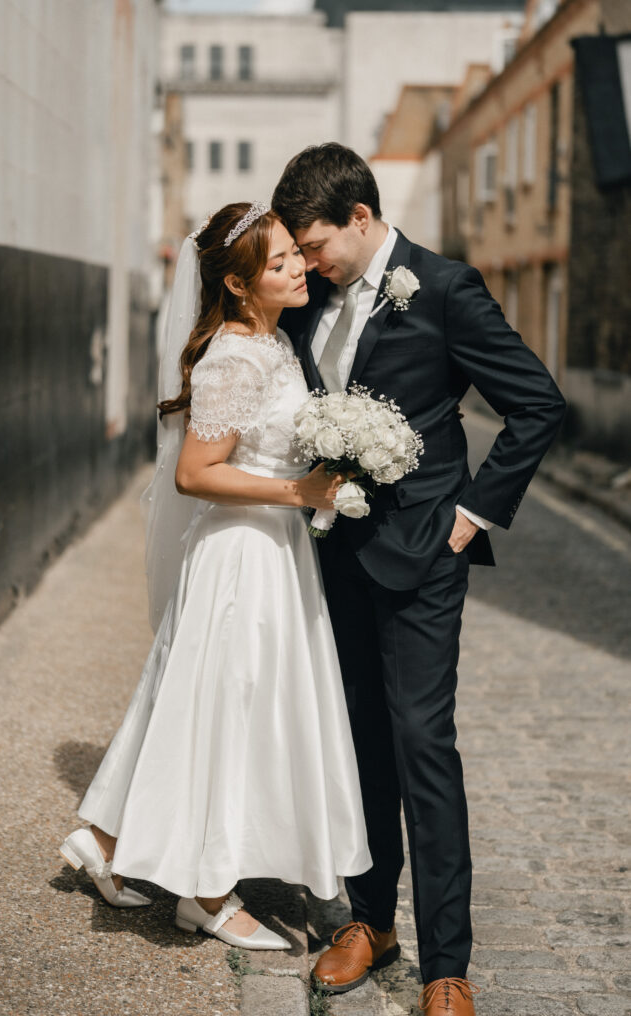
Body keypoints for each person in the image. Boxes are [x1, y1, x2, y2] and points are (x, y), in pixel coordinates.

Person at [272, 143, 566, 1014]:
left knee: (421, 745)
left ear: (360, 219)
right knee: (359, 738)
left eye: (317, 243)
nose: (310, 261)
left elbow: (536, 403)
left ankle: (445, 962)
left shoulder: (442, 289)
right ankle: (370, 920)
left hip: (422, 556)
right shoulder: (312, 296)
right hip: (329, 553)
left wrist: (470, 517)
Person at [60, 202, 372, 949]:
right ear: (237, 285)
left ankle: (106, 840)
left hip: (273, 550)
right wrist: (297, 491)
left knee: (198, 699)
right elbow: (196, 475)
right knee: (228, 709)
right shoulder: (234, 355)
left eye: (294, 255)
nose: (297, 267)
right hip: (240, 553)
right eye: (277, 264)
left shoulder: (272, 343)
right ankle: (206, 892)